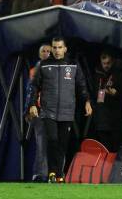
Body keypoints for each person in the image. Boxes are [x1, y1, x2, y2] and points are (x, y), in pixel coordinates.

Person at [27, 37, 92, 183]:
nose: (57, 51)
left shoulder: (73, 65)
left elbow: (81, 85)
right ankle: (52, 172)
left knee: (62, 144)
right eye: (54, 48)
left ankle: (59, 174)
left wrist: (87, 101)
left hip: (67, 112)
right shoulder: (43, 65)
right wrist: (32, 104)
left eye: (59, 47)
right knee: (52, 140)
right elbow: (34, 86)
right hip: (47, 111)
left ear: (65, 49)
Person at [92, 51, 122, 152]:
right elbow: (95, 94)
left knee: (116, 150)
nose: (106, 66)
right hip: (102, 120)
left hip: (116, 120)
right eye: (104, 63)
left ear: (113, 62)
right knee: (105, 150)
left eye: (108, 63)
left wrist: (116, 94)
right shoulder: (97, 74)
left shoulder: (120, 74)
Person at [26, 43, 52, 182]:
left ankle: (50, 173)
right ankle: (41, 175)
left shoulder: (55, 69)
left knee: (52, 143)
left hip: (54, 111)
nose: (46, 53)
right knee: (41, 143)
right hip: (39, 111)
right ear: (39, 54)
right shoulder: (34, 70)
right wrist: (28, 109)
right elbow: (29, 92)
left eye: (49, 51)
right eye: (43, 51)